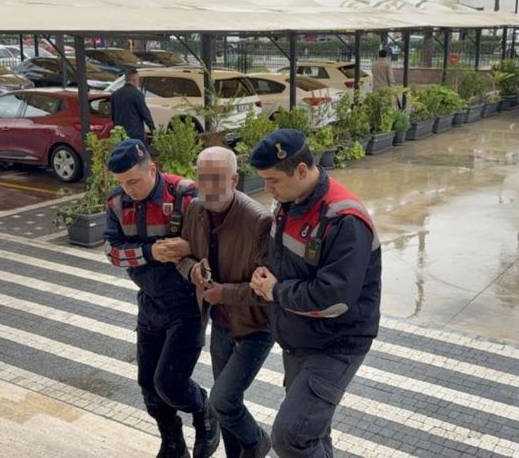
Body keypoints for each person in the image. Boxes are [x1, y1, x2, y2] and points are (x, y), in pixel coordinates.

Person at [247, 129, 382, 458]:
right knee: (313, 433)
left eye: (273, 180)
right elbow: (284, 258)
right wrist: (264, 273)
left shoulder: (344, 219)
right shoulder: (289, 202)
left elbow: (334, 298)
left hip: (336, 342)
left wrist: (275, 291)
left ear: (301, 170)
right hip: (298, 338)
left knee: (290, 437)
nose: (267, 189)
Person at [103, 139, 220, 458]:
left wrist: (190, 246)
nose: (128, 189)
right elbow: (112, 252)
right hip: (149, 303)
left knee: (170, 382)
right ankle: (172, 442)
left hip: (186, 306)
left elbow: (214, 241)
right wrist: (150, 252)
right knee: (148, 385)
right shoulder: (117, 203)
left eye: (133, 181)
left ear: (151, 169)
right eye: (122, 183)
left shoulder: (185, 195)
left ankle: (204, 411)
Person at [176, 147, 274, 458]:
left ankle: (258, 442)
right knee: (227, 404)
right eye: (202, 178)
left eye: (217, 179)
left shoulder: (259, 221)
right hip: (220, 324)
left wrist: (224, 294)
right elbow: (183, 256)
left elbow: (269, 291)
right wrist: (192, 270)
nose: (208, 186)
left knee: (222, 400)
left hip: (255, 327)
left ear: (234, 180)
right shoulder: (195, 209)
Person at [110, 69, 156, 141]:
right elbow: (145, 114)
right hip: (135, 134)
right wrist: (154, 131)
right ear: (134, 80)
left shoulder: (115, 94)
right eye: (138, 80)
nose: (138, 82)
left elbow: (113, 115)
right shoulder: (137, 95)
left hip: (119, 133)